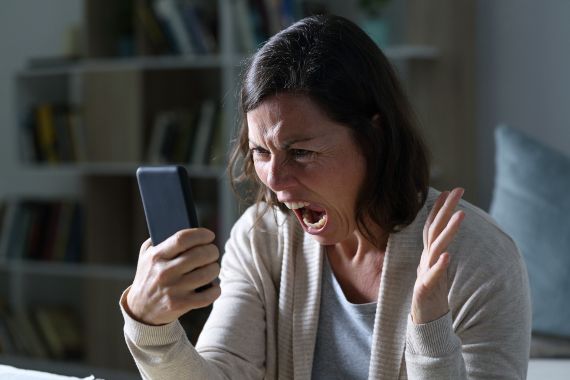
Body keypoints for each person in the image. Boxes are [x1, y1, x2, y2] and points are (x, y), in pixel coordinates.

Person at [120, 14, 531, 379]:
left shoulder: (478, 258)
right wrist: (150, 327)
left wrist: (429, 330)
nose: (275, 181)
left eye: (301, 152)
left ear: (374, 136)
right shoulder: (262, 238)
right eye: (261, 152)